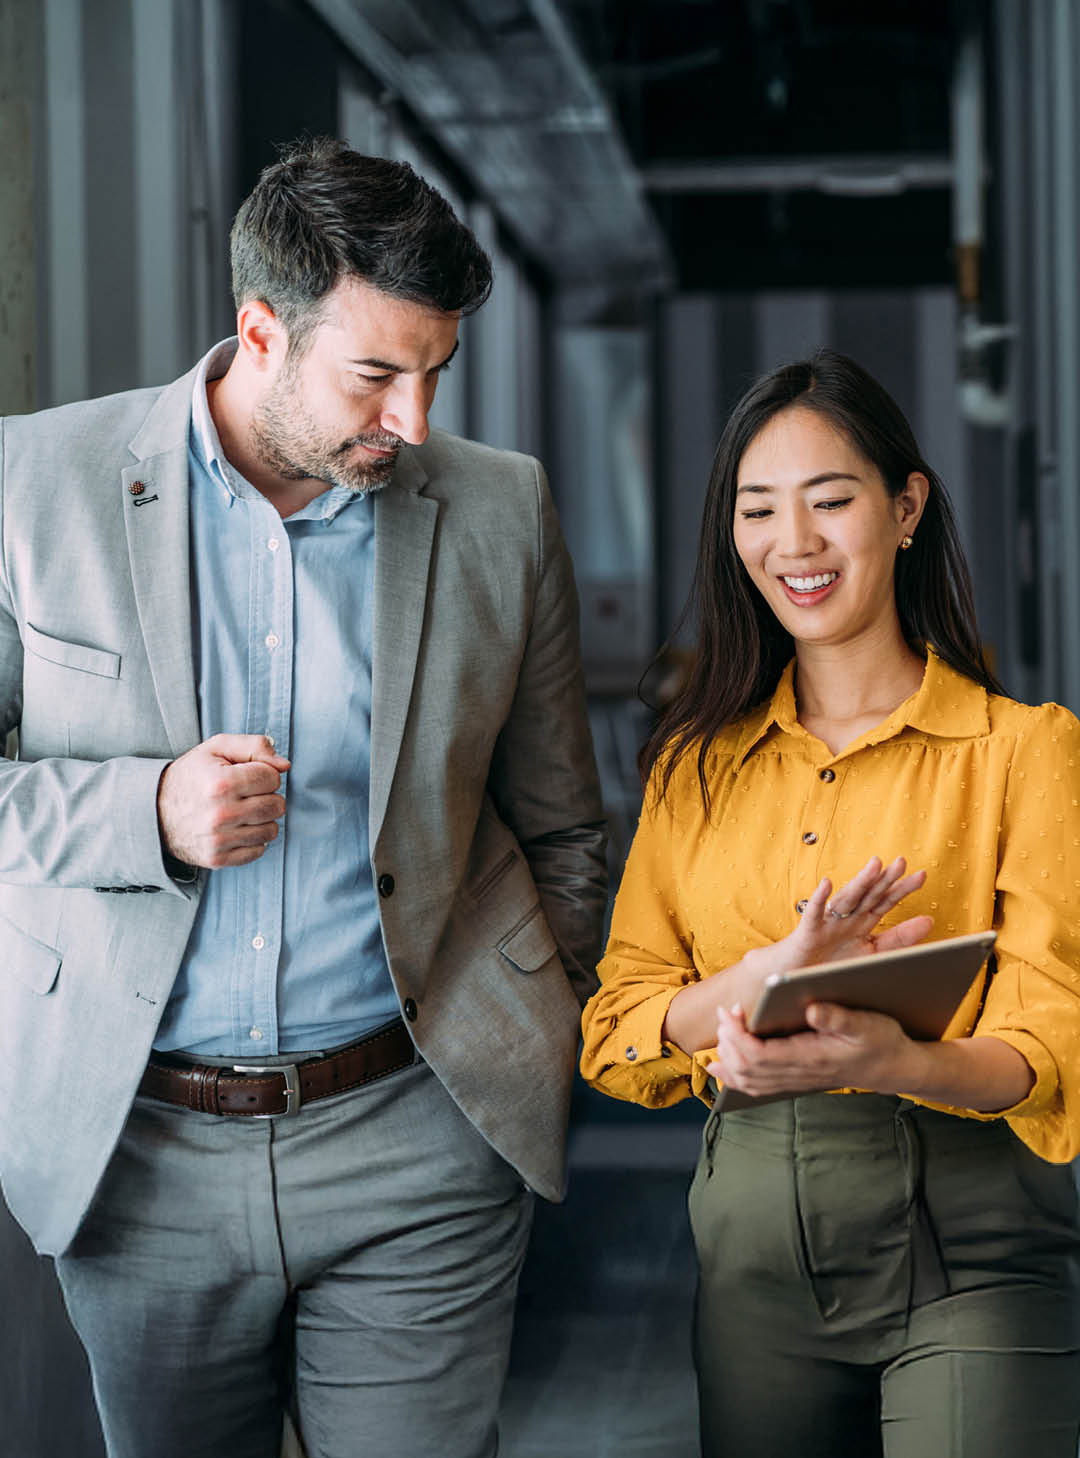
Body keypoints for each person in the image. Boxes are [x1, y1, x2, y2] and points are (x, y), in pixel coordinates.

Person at [0, 137, 606, 1458]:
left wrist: (533, 1017)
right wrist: (146, 812)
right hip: (140, 1152)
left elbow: (561, 819)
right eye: (377, 375)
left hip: (422, 1140)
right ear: (260, 332)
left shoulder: (501, 508)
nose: (416, 423)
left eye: (436, 373)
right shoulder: (31, 484)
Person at [580, 349, 1080, 1457]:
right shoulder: (693, 770)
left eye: (830, 501)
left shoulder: (1024, 754)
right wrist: (755, 988)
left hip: (970, 1243)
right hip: (753, 1269)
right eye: (757, 510)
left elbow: (1052, 1046)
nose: (792, 544)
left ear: (906, 510)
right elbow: (617, 1033)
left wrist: (883, 1056)